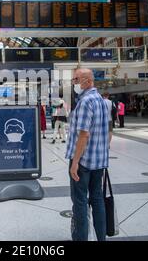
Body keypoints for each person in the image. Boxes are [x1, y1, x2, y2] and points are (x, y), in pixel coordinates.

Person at [66, 69, 109, 241]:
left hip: (82, 162)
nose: (73, 83)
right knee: (97, 199)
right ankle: (101, 238)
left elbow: (84, 134)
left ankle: (81, 238)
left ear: (87, 80)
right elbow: (107, 131)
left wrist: (75, 162)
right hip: (98, 161)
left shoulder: (85, 102)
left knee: (80, 202)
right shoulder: (102, 101)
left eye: (75, 79)